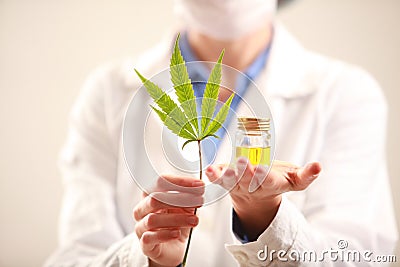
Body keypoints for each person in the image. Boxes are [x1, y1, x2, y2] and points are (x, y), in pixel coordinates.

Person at [46, 0, 398, 266]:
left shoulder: (345, 94)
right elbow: (76, 257)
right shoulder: (108, 93)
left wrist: (266, 218)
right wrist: (148, 260)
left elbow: (361, 258)